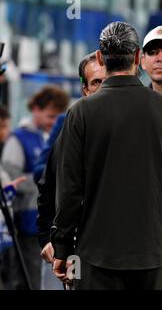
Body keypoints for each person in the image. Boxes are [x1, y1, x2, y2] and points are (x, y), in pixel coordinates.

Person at [51, 21, 162, 290]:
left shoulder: (80, 113)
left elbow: (69, 192)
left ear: (99, 57)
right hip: (155, 252)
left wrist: (61, 247)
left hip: (97, 254)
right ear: (137, 58)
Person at [35, 52, 106, 290]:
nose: (104, 88)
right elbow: (47, 182)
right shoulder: (69, 124)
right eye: (96, 82)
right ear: (85, 89)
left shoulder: (132, 126)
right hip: (72, 249)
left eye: (108, 80)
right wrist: (48, 238)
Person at [1, 86, 69, 289]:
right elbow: (10, 179)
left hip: (43, 218)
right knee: (27, 278)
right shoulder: (19, 138)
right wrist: (50, 181)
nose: (53, 121)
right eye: (49, 115)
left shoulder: (46, 136)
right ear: (36, 110)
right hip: (25, 220)